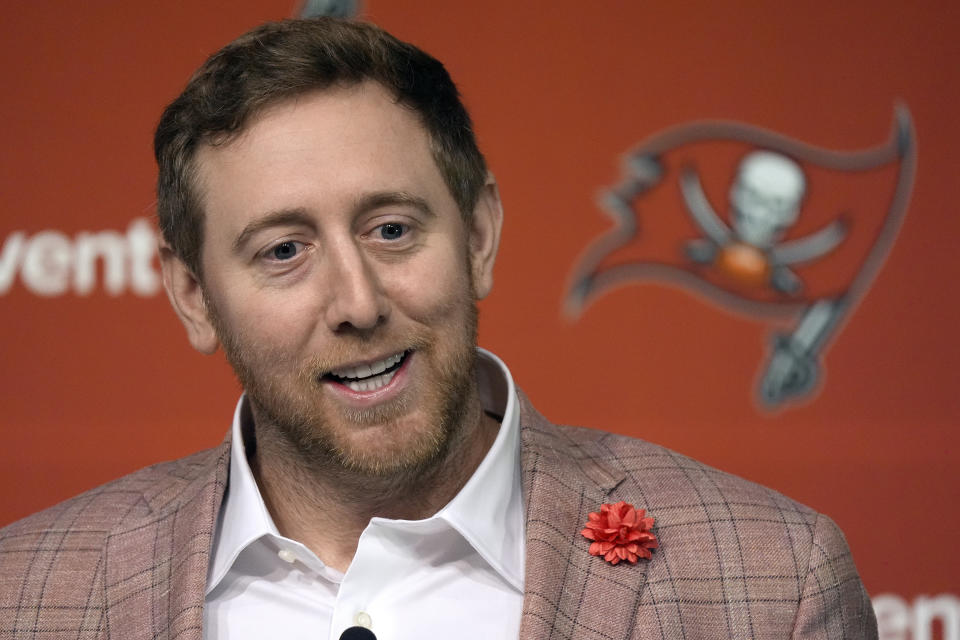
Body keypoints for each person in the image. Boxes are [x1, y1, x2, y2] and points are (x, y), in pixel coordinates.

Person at [0, 17, 877, 640]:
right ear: (193, 295)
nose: (356, 302)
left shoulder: (772, 582)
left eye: (391, 230)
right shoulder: (26, 596)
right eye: (282, 251)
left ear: (480, 235)